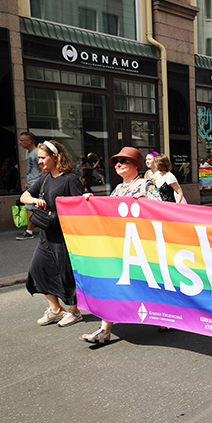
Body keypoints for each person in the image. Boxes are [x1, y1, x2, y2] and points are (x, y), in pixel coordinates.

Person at [81, 147, 160, 343]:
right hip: (119, 245)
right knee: (114, 283)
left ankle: (164, 316)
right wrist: (91, 202)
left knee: (149, 283)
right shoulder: (117, 189)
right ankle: (105, 330)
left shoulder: (146, 185)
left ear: (136, 166)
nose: (118, 164)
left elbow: (162, 211)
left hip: (141, 246)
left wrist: (147, 203)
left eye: (123, 161)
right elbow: (106, 212)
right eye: (116, 161)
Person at [20, 140, 86, 327]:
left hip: (63, 236)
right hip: (46, 234)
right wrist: (34, 199)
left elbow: (80, 206)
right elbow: (23, 196)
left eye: (43, 157)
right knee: (37, 269)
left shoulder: (70, 179)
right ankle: (55, 309)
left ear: (55, 157)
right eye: (39, 158)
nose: (39, 161)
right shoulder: (45, 178)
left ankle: (74, 311)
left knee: (65, 274)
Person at [17, 131, 44, 240]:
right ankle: (32, 230)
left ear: (29, 141)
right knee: (33, 207)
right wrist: (26, 182)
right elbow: (28, 169)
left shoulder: (37, 153)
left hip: (37, 182)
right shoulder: (27, 153)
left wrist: (40, 182)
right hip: (32, 182)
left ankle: (29, 231)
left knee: (29, 207)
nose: (20, 142)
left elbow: (43, 168)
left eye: (22, 140)